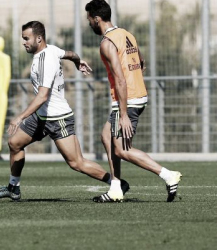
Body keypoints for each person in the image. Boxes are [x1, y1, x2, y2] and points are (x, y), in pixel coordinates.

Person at [0, 21, 129, 201]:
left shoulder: (45, 61)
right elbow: (70, 54)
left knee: (76, 163)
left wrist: (19, 118)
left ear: (39, 38)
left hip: (58, 119)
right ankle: (13, 187)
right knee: (15, 143)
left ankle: (116, 183)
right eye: (23, 38)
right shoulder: (52, 50)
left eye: (26, 38)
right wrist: (79, 62)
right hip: (41, 117)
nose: (24, 42)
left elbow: (42, 96)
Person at [85, 0, 182, 202]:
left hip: (128, 100)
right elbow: (141, 60)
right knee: (106, 136)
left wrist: (124, 114)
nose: (89, 24)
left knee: (122, 149)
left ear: (97, 19)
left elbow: (120, 79)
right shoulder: (126, 34)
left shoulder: (107, 42)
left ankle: (168, 175)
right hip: (135, 95)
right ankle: (115, 188)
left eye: (89, 20)